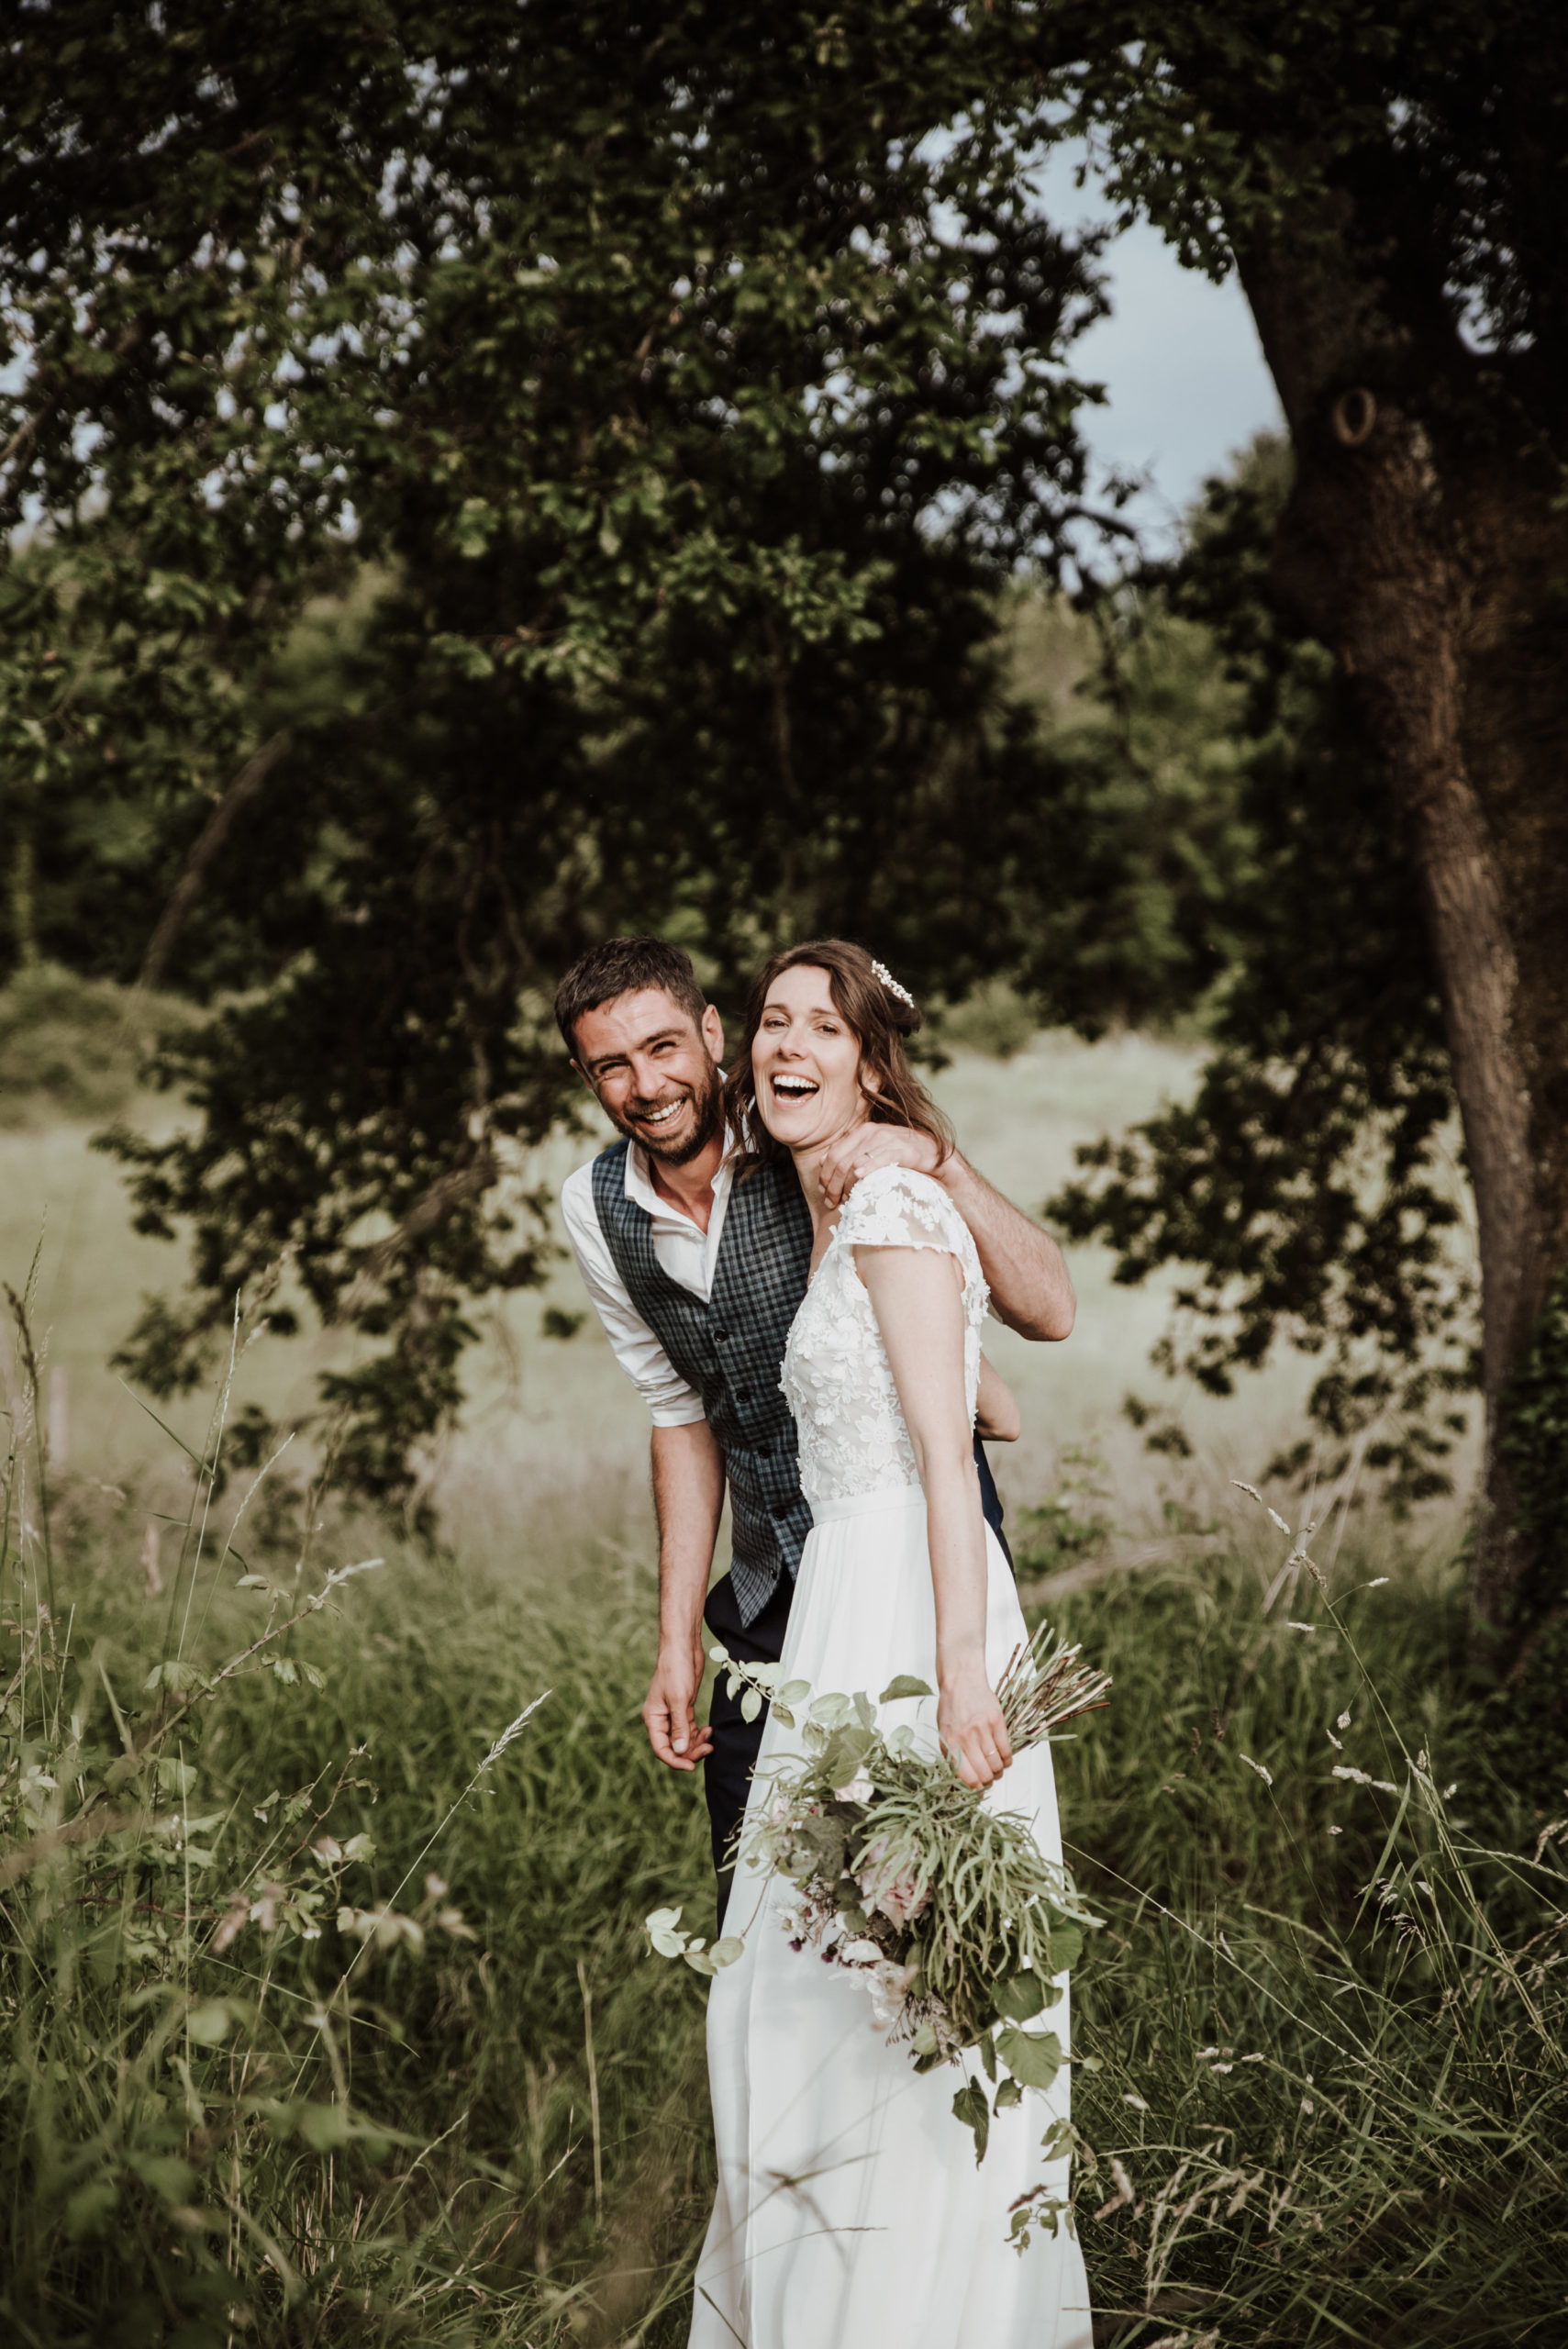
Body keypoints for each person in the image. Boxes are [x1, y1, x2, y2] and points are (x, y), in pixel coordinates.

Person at [689, 940, 1093, 2349]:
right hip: (842, 1621)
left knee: (899, 1997)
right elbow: (999, 1407)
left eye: (819, 1026)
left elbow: (945, 1453)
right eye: (768, 1022)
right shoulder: (846, 1221)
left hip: (910, 1629)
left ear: (871, 1064)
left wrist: (966, 1676)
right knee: (810, 1995)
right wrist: (904, 1334)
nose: (782, 1043)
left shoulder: (899, 1206)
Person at [555, 936, 1073, 1920]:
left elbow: (1033, 1323)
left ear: (712, 1033)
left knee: (922, 1900)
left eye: (664, 1047)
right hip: (766, 1592)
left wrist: (935, 1157)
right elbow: (678, 1412)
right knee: (766, 1900)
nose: (647, 1084)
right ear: (583, 1076)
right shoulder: (595, 1207)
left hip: (906, 1560)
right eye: (610, 1065)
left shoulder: (822, 1130)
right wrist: (671, 1642)